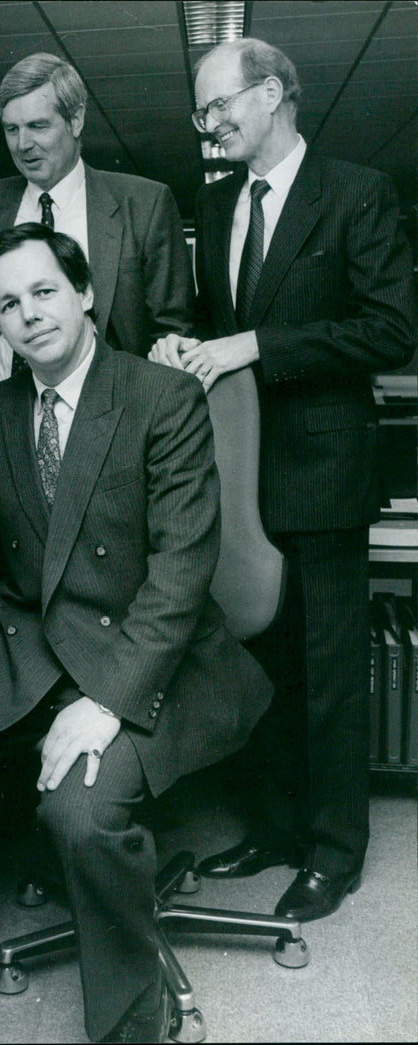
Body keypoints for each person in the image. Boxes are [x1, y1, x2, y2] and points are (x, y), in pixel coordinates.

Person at [0, 224, 272, 1045]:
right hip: (25, 645)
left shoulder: (161, 398)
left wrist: (107, 700)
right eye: (8, 303)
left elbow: (180, 574)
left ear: (85, 294)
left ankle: (132, 1023)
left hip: (143, 650)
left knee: (79, 816)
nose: (29, 314)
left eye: (42, 291)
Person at [150, 38, 416, 923]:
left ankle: (335, 852)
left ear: (271, 96)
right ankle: (273, 826)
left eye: (217, 106)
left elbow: (389, 331)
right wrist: (186, 347)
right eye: (201, 111)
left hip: (327, 471)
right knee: (258, 663)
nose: (209, 124)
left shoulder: (357, 192)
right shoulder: (215, 200)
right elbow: (215, 327)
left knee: (332, 667)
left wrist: (256, 345)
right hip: (240, 476)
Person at [0, 51, 194, 418]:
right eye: (11, 129)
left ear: (76, 119)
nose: (23, 144)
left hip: (116, 420)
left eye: (38, 126)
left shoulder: (144, 203)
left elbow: (171, 331)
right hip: (7, 420)